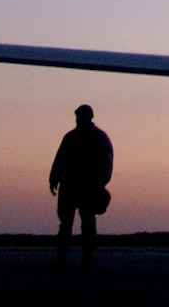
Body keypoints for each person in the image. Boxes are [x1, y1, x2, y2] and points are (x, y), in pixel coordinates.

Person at [49, 104, 113, 272]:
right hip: (69, 186)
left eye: (82, 117)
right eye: (78, 117)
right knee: (66, 222)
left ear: (89, 118)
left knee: (88, 222)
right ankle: (62, 257)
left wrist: (99, 184)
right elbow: (60, 159)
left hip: (88, 187)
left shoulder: (99, 139)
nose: (79, 120)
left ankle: (87, 259)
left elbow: (106, 164)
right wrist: (53, 179)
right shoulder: (70, 138)